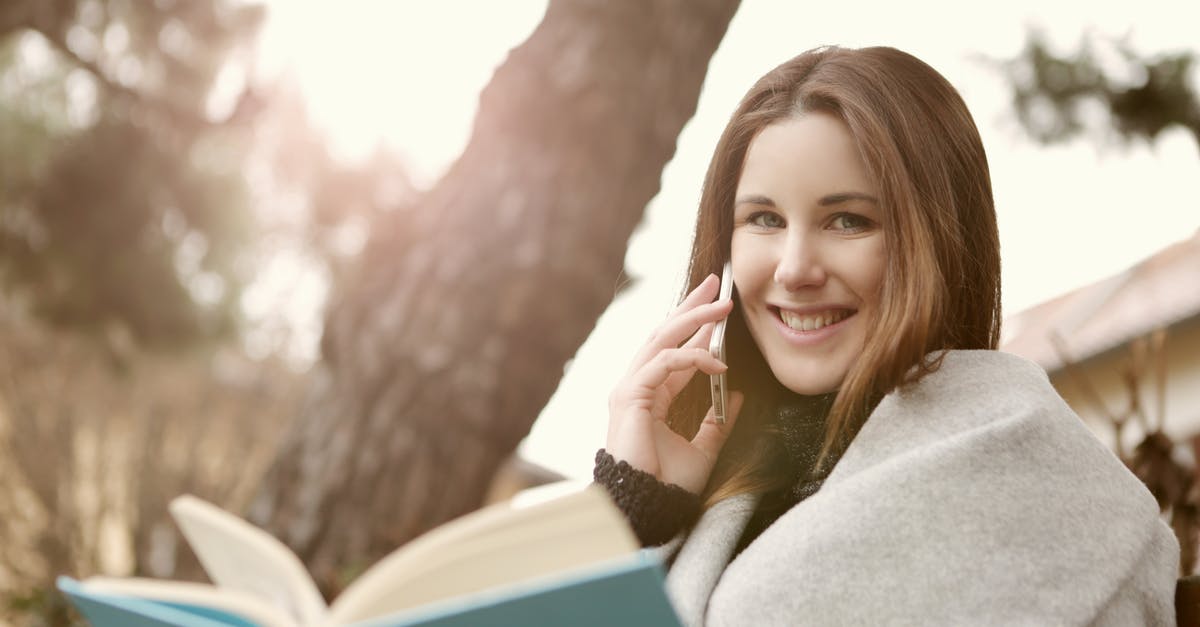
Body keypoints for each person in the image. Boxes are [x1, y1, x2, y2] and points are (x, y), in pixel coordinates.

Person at [593, 46, 1179, 626]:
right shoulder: (713, 478)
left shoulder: (1032, 472)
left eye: (848, 220)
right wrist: (637, 515)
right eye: (764, 219)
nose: (794, 269)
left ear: (941, 240)